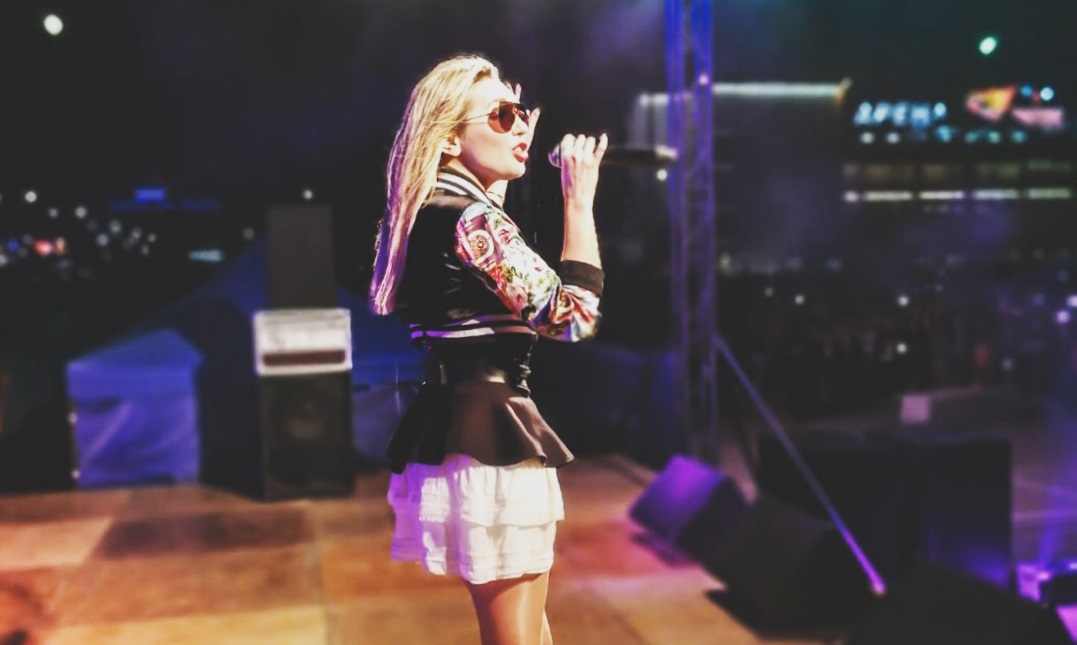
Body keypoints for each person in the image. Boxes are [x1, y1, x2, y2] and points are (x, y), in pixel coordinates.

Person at [368, 55, 607, 645]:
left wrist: (500, 164)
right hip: (493, 442)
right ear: (451, 137)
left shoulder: (427, 213)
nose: (522, 126)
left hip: (456, 428)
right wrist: (579, 201)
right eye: (502, 115)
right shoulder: (472, 221)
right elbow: (572, 320)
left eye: (522, 113)